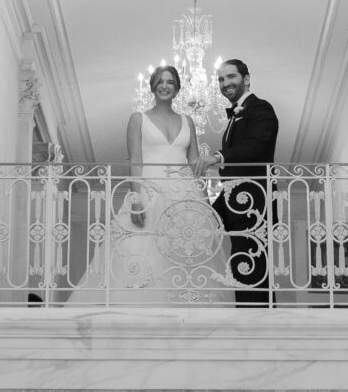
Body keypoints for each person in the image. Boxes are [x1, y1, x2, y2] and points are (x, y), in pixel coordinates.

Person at [67, 65, 234, 305]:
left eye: (170, 82)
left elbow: (195, 164)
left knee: (186, 253)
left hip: (184, 194)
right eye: (160, 81)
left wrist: (205, 204)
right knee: (141, 252)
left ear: (177, 88)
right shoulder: (138, 119)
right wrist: (136, 200)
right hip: (149, 191)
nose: (165, 86)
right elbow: (135, 161)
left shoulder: (188, 121)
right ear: (153, 87)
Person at [194, 59, 279, 306]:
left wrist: (217, 157)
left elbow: (256, 146)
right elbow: (236, 175)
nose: (225, 83)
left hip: (255, 203)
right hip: (237, 201)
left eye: (231, 77)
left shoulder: (261, 108)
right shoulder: (234, 116)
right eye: (221, 79)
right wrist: (208, 209)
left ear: (247, 79)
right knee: (239, 265)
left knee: (253, 267)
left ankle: (258, 326)